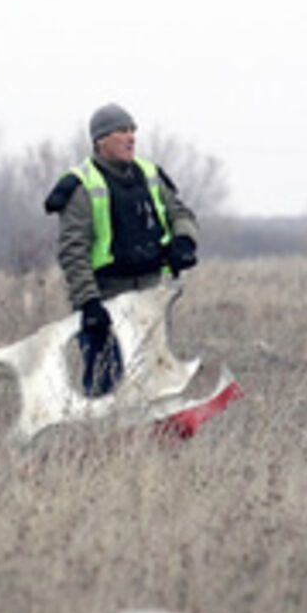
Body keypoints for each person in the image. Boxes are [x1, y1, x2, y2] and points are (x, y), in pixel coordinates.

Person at [44, 103, 200, 396]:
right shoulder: (80, 186)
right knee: (106, 386)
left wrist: (184, 242)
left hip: (150, 294)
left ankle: (157, 426)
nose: (131, 137)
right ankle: (102, 427)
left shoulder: (150, 174)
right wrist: (89, 303)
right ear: (100, 140)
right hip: (104, 298)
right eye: (122, 131)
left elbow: (181, 214)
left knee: (156, 384)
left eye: (132, 130)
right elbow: (72, 252)